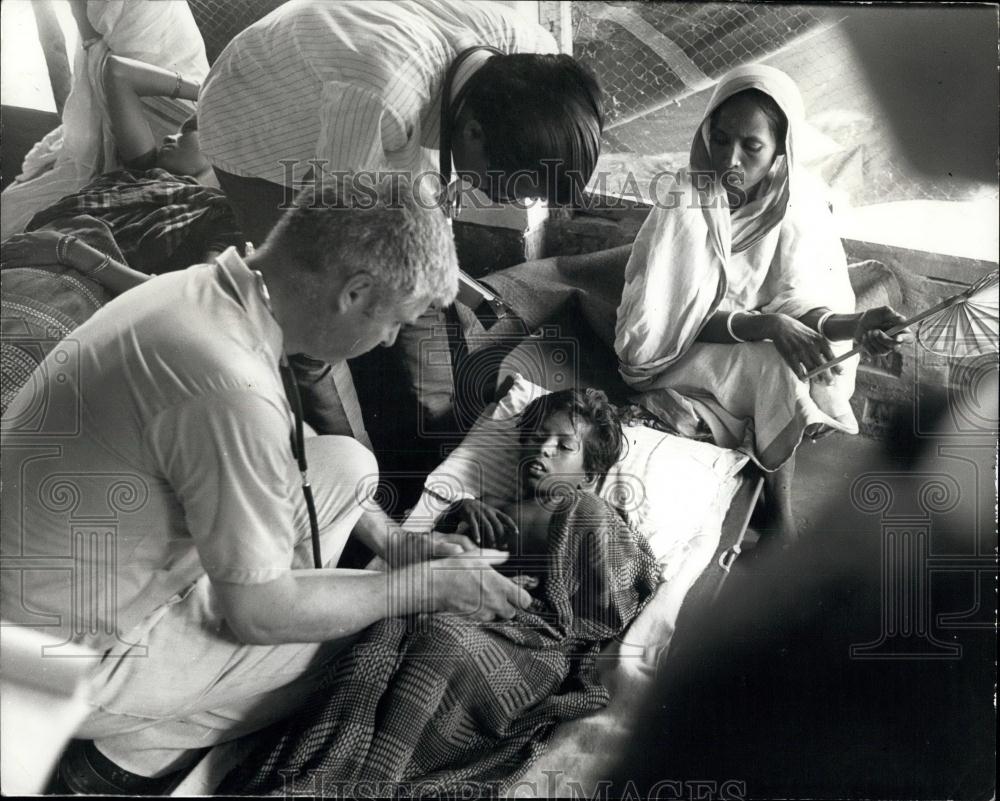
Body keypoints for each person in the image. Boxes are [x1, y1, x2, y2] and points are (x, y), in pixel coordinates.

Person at [0, 178, 533, 794]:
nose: (389, 340)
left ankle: (165, 703)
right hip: (47, 659)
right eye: (395, 323)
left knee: (350, 468)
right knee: (360, 637)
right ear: (355, 293)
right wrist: (418, 587)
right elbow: (258, 614)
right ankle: (120, 759)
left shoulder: (204, 291)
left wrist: (400, 549)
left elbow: (281, 448)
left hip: (61, 573)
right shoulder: (229, 390)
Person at [217, 390, 658, 797]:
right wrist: (458, 512)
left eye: (564, 446)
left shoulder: (586, 510)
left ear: (590, 471)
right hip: (454, 606)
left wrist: (536, 600)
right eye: (539, 437)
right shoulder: (492, 508)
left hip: (531, 639)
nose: (544, 449)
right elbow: (441, 560)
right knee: (382, 632)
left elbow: (616, 594)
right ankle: (323, 768)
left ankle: (373, 782)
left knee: (444, 638)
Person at [614, 64, 910, 545]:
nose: (729, 159)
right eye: (720, 138)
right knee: (775, 355)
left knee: (784, 361)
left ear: (778, 151)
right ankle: (777, 517)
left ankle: (776, 516)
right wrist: (766, 324)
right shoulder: (684, 202)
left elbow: (800, 300)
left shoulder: (795, 205)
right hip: (671, 355)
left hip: (741, 350)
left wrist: (856, 325)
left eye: (751, 146)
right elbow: (666, 321)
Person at [197, 0, 605, 245]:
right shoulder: (385, 95)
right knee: (309, 276)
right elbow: (340, 216)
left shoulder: (531, 53)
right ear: (474, 131)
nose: (495, 199)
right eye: (495, 186)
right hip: (247, 103)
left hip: (340, 55)